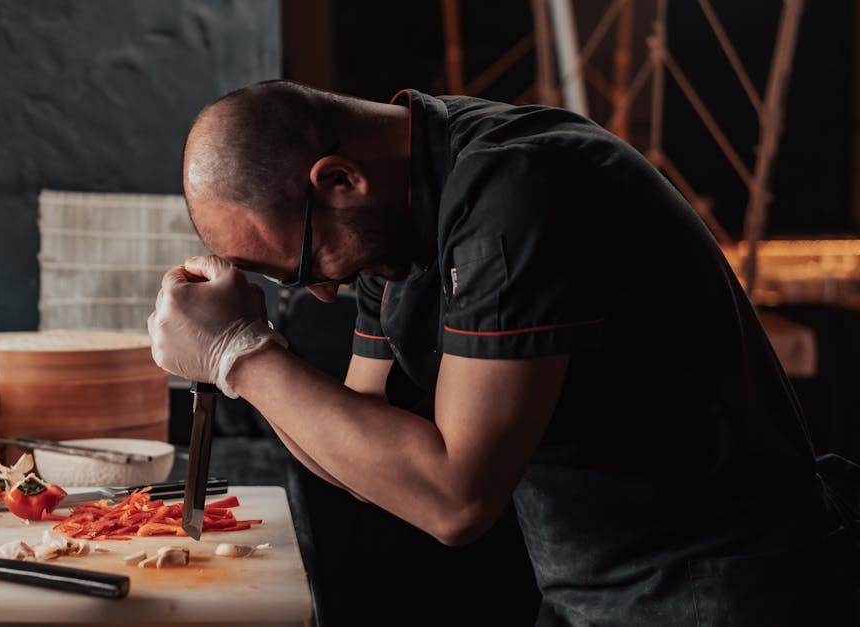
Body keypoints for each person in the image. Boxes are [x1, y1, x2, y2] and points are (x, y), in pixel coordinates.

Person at [148, 79, 859, 625]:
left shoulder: (518, 191)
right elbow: (362, 449)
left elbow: (456, 497)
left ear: (339, 180)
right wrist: (245, 353)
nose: (322, 295)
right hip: (594, 585)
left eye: (301, 269)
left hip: (722, 587)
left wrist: (240, 355)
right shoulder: (394, 217)